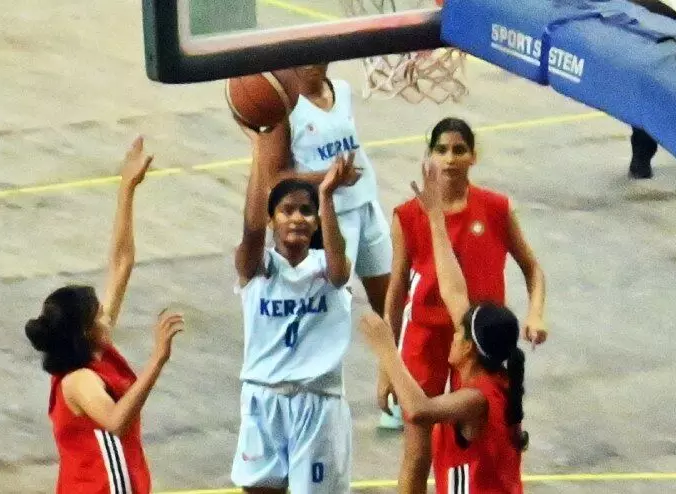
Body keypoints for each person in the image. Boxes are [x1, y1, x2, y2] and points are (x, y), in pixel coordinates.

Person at [381, 117, 546, 492]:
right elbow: (396, 290)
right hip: (427, 338)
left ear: (474, 156)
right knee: (419, 448)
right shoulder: (408, 215)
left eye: (459, 149)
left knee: (475, 443)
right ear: (429, 156)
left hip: (479, 340)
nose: (450, 158)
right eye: (441, 150)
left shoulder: (495, 207)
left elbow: (532, 268)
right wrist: (386, 365)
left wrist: (536, 311)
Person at [24, 137, 185, 494]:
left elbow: (121, 263)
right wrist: (157, 360)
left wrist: (127, 188)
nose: (106, 318)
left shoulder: (95, 350)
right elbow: (114, 421)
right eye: (98, 316)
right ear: (83, 332)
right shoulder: (79, 381)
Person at [251, 65, 396, 428]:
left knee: (392, 302)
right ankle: (320, 397)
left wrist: (347, 179)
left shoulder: (341, 91)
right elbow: (275, 177)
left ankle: (401, 389)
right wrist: (329, 180)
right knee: (328, 313)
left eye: (320, 56)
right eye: (307, 58)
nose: (315, 63)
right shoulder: (280, 105)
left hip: (366, 207)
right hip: (329, 218)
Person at [230, 120, 358, 493]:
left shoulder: (327, 269)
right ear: (273, 220)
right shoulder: (258, 269)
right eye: (287, 210)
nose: (298, 218)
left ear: (317, 221)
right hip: (263, 397)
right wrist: (259, 154)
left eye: (306, 211)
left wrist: (328, 196)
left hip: (316, 402)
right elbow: (250, 231)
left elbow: (339, 268)